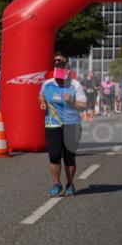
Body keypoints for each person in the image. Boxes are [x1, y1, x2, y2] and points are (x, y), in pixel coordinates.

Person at [38, 55, 86, 197]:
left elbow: (83, 105)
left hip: (72, 124)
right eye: (58, 79)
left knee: (69, 157)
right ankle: (56, 183)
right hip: (53, 124)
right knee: (54, 155)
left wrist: (71, 100)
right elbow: (40, 95)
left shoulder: (75, 85)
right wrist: (42, 102)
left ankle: (70, 183)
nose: (59, 81)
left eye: (62, 79)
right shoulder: (47, 84)